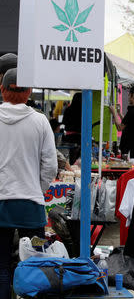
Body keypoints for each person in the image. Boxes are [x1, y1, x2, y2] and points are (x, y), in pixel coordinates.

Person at [0, 67, 57, 298]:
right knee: (35, 265)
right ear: (29, 91)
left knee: (1, 266)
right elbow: (50, 166)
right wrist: (38, 189)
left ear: (2, 90)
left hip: (1, 202)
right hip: (31, 205)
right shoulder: (40, 121)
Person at [110, 84, 134, 160]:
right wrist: (119, 113)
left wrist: (114, 113)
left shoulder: (132, 111)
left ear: (132, 95)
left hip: (129, 152)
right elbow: (129, 123)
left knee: (129, 170)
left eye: (129, 94)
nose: (128, 96)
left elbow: (120, 128)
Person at [62, 92, 82, 165]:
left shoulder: (68, 109)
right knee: (79, 159)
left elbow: (64, 122)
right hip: (80, 137)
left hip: (69, 137)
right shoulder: (84, 110)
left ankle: (71, 169)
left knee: (71, 157)